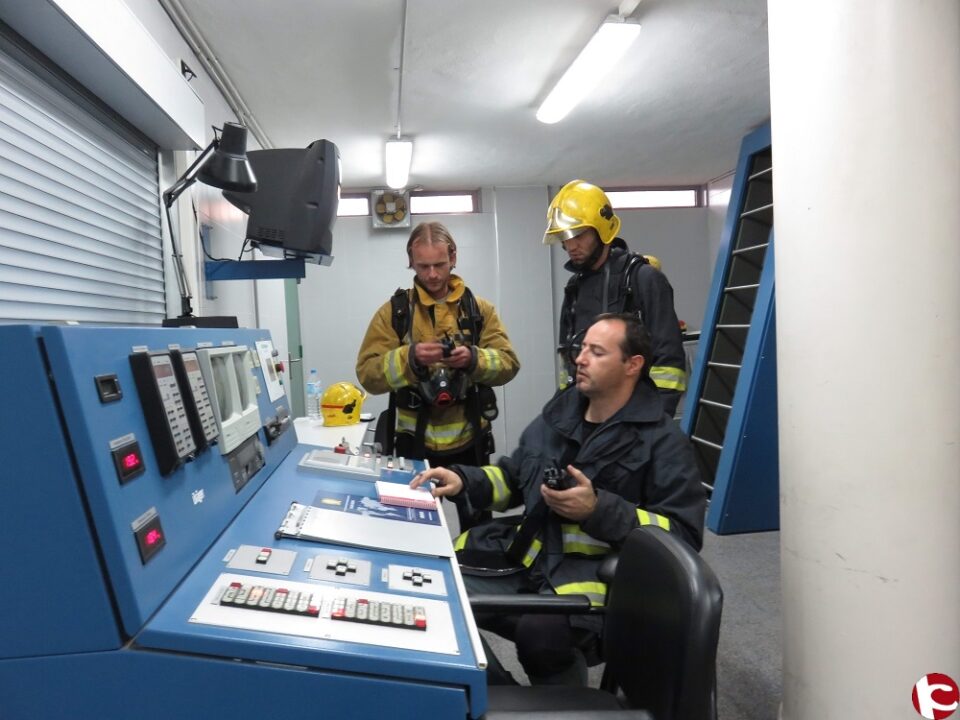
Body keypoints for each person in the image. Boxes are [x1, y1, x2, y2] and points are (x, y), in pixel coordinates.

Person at [411, 313, 705, 686]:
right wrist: (464, 480)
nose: (580, 359)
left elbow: (682, 536)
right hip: (527, 561)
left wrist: (598, 510)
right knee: (432, 594)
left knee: (542, 637)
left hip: (593, 581)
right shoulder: (559, 415)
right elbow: (514, 479)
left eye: (596, 352)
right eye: (581, 349)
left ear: (632, 365)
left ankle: (565, 704)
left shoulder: (663, 442)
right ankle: (503, 700)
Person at [356, 220, 520, 491]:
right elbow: (367, 374)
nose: (432, 274)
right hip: (412, 442)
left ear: (453, 257)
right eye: (423, 266)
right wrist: (409, 359)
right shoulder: (395, 313)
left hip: (471, 442)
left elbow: (509, 364)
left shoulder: (479, 311)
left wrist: (473, 359)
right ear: (411, 261)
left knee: (478, 528)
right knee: (414, 523)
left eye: (440, 265)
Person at [544, 180, 687, 417]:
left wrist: (653, 423)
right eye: (564, 237)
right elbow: (569, 359)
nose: (571, 245)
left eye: (578, 234)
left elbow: (669, 362)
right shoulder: (575, 288)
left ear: (603, 230)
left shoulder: (644, 279)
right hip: (588, 419)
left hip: (636, 419)